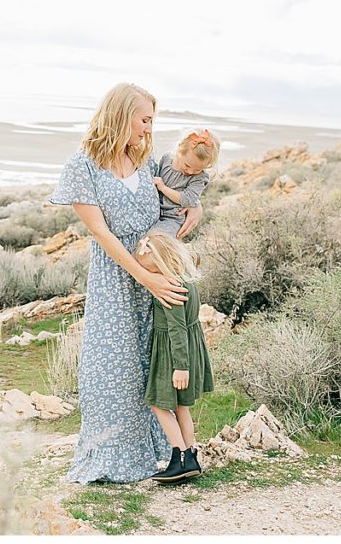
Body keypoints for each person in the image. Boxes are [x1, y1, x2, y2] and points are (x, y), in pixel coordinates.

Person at [48, 83, 204, 483]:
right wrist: (145, 278)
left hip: (157, 279)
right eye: (145, 119)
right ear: (121, 115)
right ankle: (112, 456)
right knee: (112, 370)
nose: (149, 129)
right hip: (116, 282)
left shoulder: (148, 163)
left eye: (153, 120)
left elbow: (185, 191)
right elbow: (102, 234)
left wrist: (195, 211)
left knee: (155, 369)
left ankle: (172, 451)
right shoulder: (82, 166)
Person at [134, 230, 214, 483]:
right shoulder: (186, 278)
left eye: (150, 270)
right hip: (188, 350)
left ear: (161, 262)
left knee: (158, 403)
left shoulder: (169, 287)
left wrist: (181, 367)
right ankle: (191, 457)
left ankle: (178, 456)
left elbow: (177, 329)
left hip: (172, 353)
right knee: (182, 406)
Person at [152, 128, 221, 240]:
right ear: (180, 150)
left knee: (157, 240)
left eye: (198, 169)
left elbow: (189, 199)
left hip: (173, 218)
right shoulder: (166, 159)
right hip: (155, 210)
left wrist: (163, 188)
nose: (191, 172)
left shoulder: (200, 178)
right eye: (188, 165)